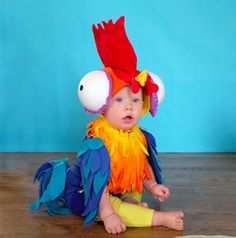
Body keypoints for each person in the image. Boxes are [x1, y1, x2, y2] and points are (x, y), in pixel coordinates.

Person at [29, 16, 184, 234]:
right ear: (102, 104)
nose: (129, 107)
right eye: (119, 100)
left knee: (133, 187)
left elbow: (141, 169)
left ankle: (130, 201)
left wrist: (152, 186)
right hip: (90, 192)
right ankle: (158, 218)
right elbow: (96, 183)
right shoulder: (98, 143)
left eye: (135, 100)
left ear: (145, 104)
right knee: (114, 208)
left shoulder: (139, 135)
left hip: (118, 188)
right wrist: (108, 213)